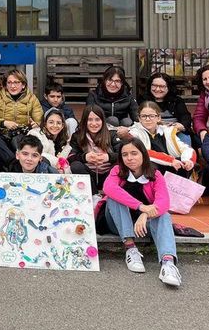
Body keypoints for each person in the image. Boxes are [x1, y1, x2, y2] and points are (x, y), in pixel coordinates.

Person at [102, 138, 182, 288]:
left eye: (134, 153)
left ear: (143, 154)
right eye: (125, 155)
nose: (130, 158)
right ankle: (130, 248)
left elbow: (164, 202)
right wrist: (141, 207)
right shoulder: (117, 171)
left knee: (164, 214)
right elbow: (109, 188)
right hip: (117, 223)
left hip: (144, 226)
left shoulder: (155, 174)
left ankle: (168, 264)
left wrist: (145, 214)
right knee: (113, 198)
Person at [128, 100, 196, 176]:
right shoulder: (134, 133)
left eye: (151, 116)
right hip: (149, 167)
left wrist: (188, 161)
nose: (147, 119)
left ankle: (178, 187)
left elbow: (188, 149)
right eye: (144, 116)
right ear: (139, 118)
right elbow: (144, 152)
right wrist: (171, 161)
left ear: (158, 118)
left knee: (183, 164)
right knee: (151, 165)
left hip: (170, 165)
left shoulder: (167, 131)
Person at [0, 69, 44, 146]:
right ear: (5, 85)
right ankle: (13, 158)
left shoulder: (32, 99)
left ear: (23, 85)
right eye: (9, 82)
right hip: (2, 135)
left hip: (24, 136)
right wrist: (4, 123)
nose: (12, 86)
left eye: (16, 82)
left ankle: (14, 157)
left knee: (17, 139)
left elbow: (41, 121)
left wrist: (36, 124)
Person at [69, 105, 118, 195]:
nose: (94, 123)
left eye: (97, 119)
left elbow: (122, 154)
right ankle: (93, 194)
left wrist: (107, 157)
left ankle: (108, 192)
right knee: (75, 165)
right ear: (84, 121)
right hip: (89, 174)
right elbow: (71, 157)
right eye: (90, 119)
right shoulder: (77, 136)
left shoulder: (112, 134)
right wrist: (85, 157)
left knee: (119, 166)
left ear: (103, 121)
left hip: (107, 173)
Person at [85, 66, 138, 132]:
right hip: (101, 129)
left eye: (117, 81)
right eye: (110, 80)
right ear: (104, 80)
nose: (113, 84)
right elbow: (89, 117)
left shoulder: (128, 96)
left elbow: (136, 117)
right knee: (113, 120)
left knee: (127, 121)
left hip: (122, 130)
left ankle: (120, 141)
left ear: (122, 83)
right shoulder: (93, 95)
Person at [146, 72, 193, 137]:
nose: (157, 89)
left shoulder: (177, 100)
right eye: (154, 85)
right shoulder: (144, 100)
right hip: (151, 132)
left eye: (162, 86)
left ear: (169, 87)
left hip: (175, 132)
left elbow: (185, 117)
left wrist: (180, 125)